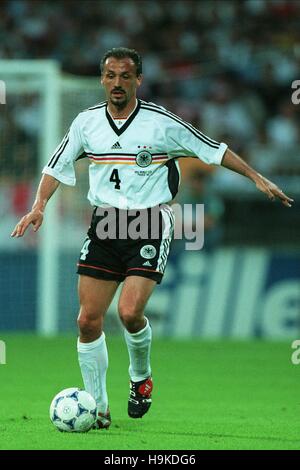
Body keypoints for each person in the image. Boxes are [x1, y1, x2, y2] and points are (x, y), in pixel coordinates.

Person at [11, 47, 293, 430]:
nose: (117, 83)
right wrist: (40, 205)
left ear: (138, 80)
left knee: (128, 313)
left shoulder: (161, 123)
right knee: (88, 321)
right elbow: (56, 165)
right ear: (102, 79)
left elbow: (213, 150)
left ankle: (140, 377)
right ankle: (99, 407)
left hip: (149, 223)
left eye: (125, 76)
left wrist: (256, 177)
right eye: (110, 75)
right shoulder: (86, 123)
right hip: (105, 225)